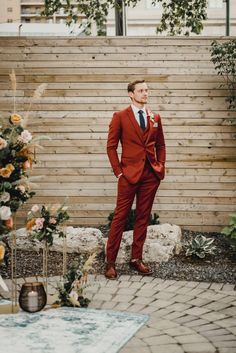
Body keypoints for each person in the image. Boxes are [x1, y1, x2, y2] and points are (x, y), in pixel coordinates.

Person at [105, 79, 166, 279]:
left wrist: (160, 166)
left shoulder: (155, 116)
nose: (145, 93)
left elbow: (161, 145)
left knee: (142, 217)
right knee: (120, 218)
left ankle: (136, 259)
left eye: (147, 90)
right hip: (128, 175)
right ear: (131, 94)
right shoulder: (120, 116)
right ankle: (110, 263)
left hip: (150, 175)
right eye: (141, 90)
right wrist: (118, 172)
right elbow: (111, 146)